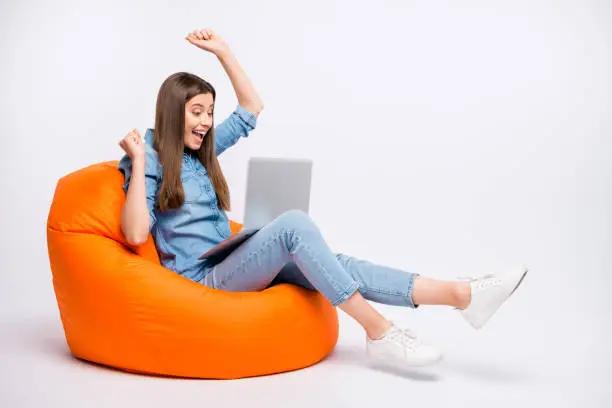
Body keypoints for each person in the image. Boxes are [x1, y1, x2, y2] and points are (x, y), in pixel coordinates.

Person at [118, 27, 528, 368]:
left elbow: (251, 108)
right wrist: (137, 160)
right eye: (197, 112)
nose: (207, 121)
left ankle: (462, 295)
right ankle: (379, 331)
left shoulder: (201, 154)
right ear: (174, 113)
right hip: (203, 281)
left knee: (337, 263)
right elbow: (136, 233)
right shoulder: (150, 157)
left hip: (232, 259)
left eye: (209, 111)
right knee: (294, 224)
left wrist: (223, 52)